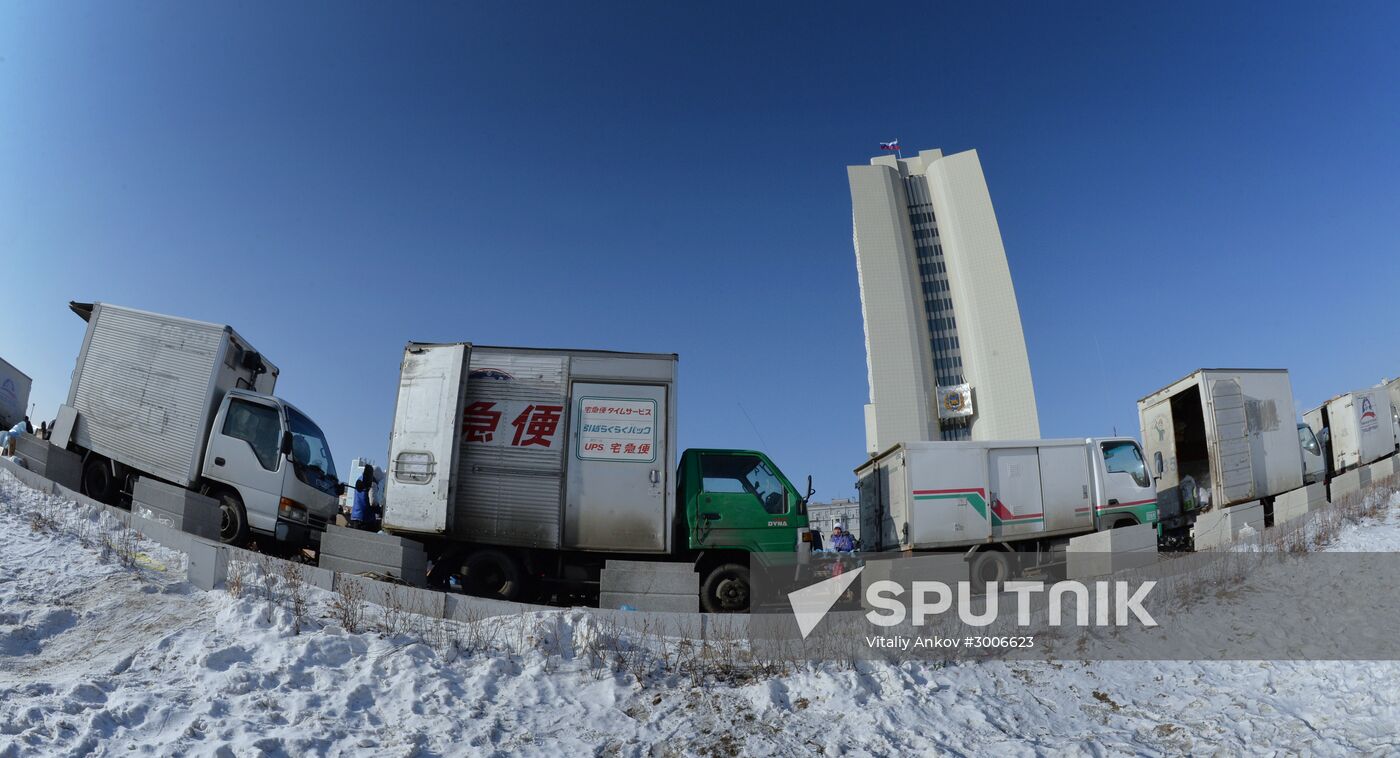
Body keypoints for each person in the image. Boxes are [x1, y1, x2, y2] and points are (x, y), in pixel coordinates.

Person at [349, 465, 378, 531]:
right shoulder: (373, 482)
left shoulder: (359, 479)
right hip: (367, 518)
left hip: (356, 515)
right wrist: (379, 510)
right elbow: (373, 502)